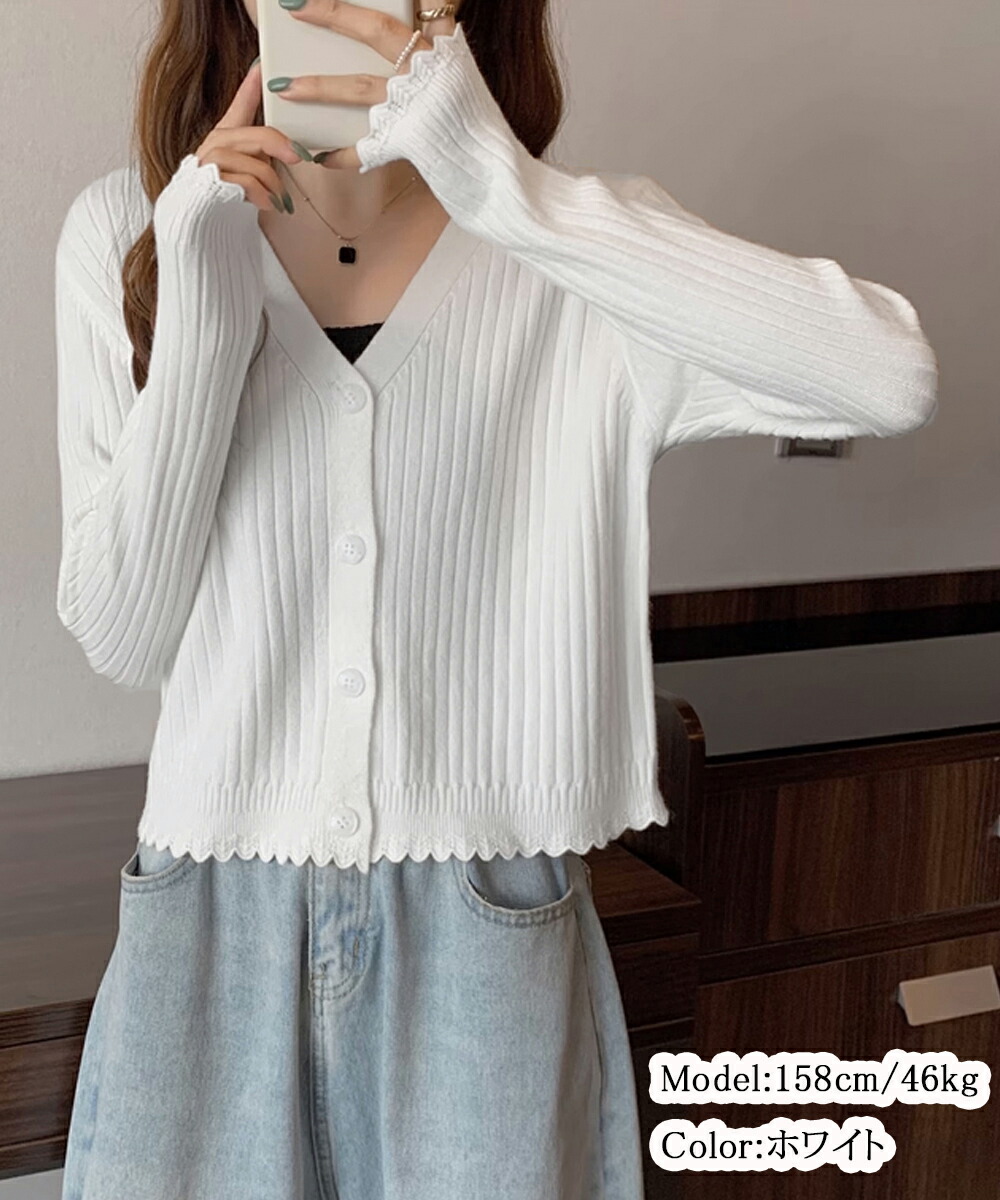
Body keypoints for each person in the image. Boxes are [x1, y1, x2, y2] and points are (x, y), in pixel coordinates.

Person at [53, 0, 939, 1196]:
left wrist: (505, 189)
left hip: (485, 914)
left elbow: (888, 377)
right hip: (209, 905)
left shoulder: (566, 246)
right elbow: (123, 631)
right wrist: (204, 308)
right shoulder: (134, 229)